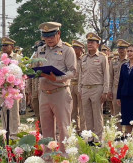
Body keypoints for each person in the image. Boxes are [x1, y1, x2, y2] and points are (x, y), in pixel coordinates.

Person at [36, 22, 76, 154]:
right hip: (44, 93)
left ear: (58, 34)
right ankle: (48, 158)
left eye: (52, 36)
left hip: (60, 92)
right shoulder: (41, 50)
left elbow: (73, 72)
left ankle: (65, 158)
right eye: (46, 36)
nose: (49, 39)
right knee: (46, 128)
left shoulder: (67, 49)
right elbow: (34, 66)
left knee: (63, 128)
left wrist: (57, 78)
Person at [78, 32, 109, 143]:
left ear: (97, 44)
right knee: (87, 115)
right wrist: (79, 89)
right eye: (88, 42)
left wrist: (105, 91)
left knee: (97, 114)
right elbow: (81, 75)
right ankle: (90, 137)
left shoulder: (102, 57)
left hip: (97, 88)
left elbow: (106, 75)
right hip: (85, 88)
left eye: (92, 42)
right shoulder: (83, 58)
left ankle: (98, 139)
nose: (90, 44)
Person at [0, 37, 22, 138]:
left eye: (6, 45)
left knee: (14, 113)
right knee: (3, 112)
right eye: (2, 45)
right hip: (2, 88)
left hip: (13, 88)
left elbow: (21, 72)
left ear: (12, 47)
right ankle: (5, 133)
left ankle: (14, 134)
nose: (4, 47)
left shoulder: (17, 57)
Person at [108, 39, 129, 129]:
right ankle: (118, 132)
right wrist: (109, 90)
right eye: (119, 48)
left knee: (127, 110)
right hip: (116, 89)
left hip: (127, 88)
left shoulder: (130, 61)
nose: (121, 50)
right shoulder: (114, 61)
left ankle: (127, 132)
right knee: (116, 112)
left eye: (123, 48)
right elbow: (110, 77)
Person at [71, 40, 85, 133]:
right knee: (73, 109)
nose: (74, 50)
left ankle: (83, 129)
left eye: (76, 48)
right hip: (71, 84)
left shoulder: (84, 59)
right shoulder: (71, 59)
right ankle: (75, 129)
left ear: (81, 49)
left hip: (81, 85)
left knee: (82, 109)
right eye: (73, 48)